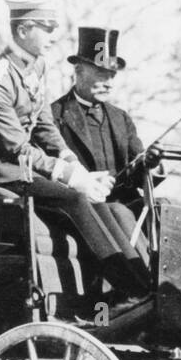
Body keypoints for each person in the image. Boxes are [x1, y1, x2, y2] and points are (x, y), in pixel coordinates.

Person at [0, 0, 151, 306]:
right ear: (23, 31)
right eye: (47, 29)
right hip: (0, 174)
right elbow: (16, 147)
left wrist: (74, 165)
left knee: (93, 198)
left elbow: (43, 125)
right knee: (75, 198)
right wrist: (71, 178)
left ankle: (141, 283)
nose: (53, 36)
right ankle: (131, 290)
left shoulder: (36, 65)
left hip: (26, 171)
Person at [51, 26, 163, 255]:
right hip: (83, 211)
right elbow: (52, 173)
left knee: (165, 209)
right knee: (119, 213)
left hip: (125, 209)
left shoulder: (121, 118)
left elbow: (137, 170)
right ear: (79, 71)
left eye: (112, 76)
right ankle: (143, 275)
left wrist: (151, 163)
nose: (109, 83)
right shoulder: (54, 117)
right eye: (102, 74)